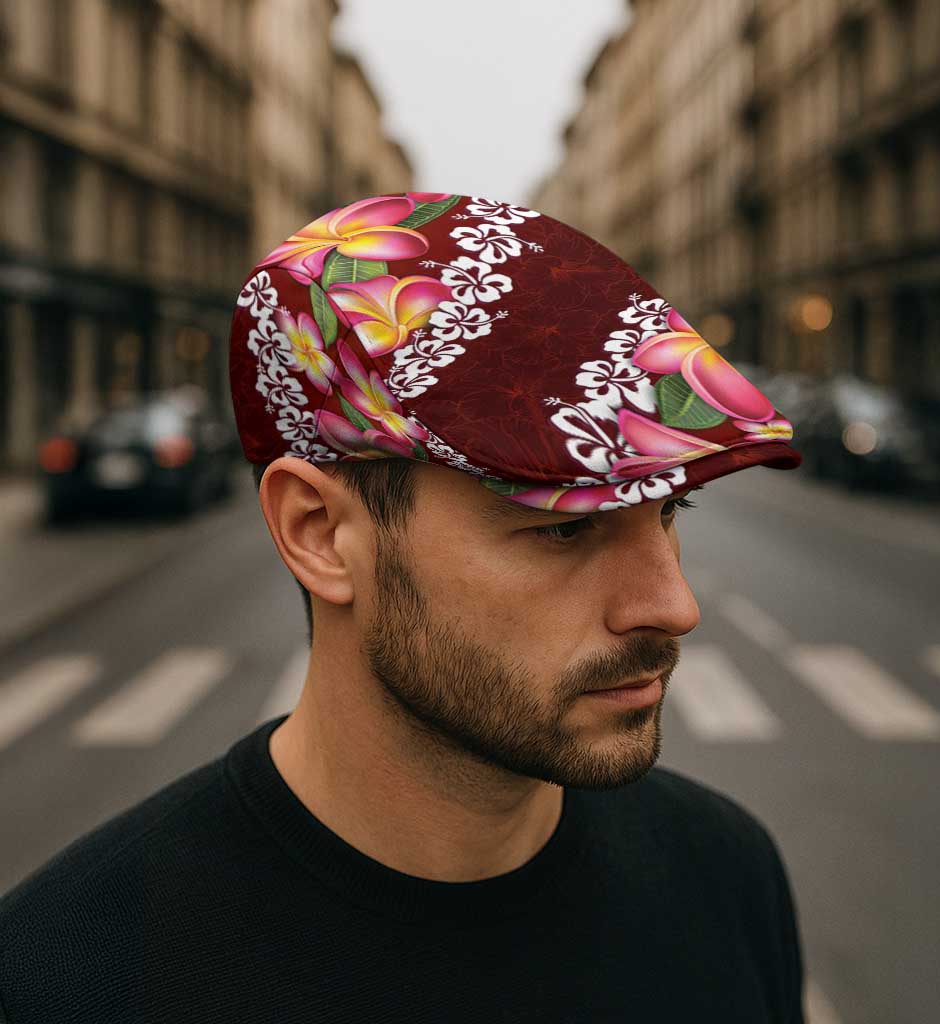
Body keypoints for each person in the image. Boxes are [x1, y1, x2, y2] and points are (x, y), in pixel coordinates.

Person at [0, 192, 806, 1023]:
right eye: (565, 529)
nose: (674, 605)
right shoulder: (67, 980)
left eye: (671, 511)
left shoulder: (726, 877)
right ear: (319, 534)